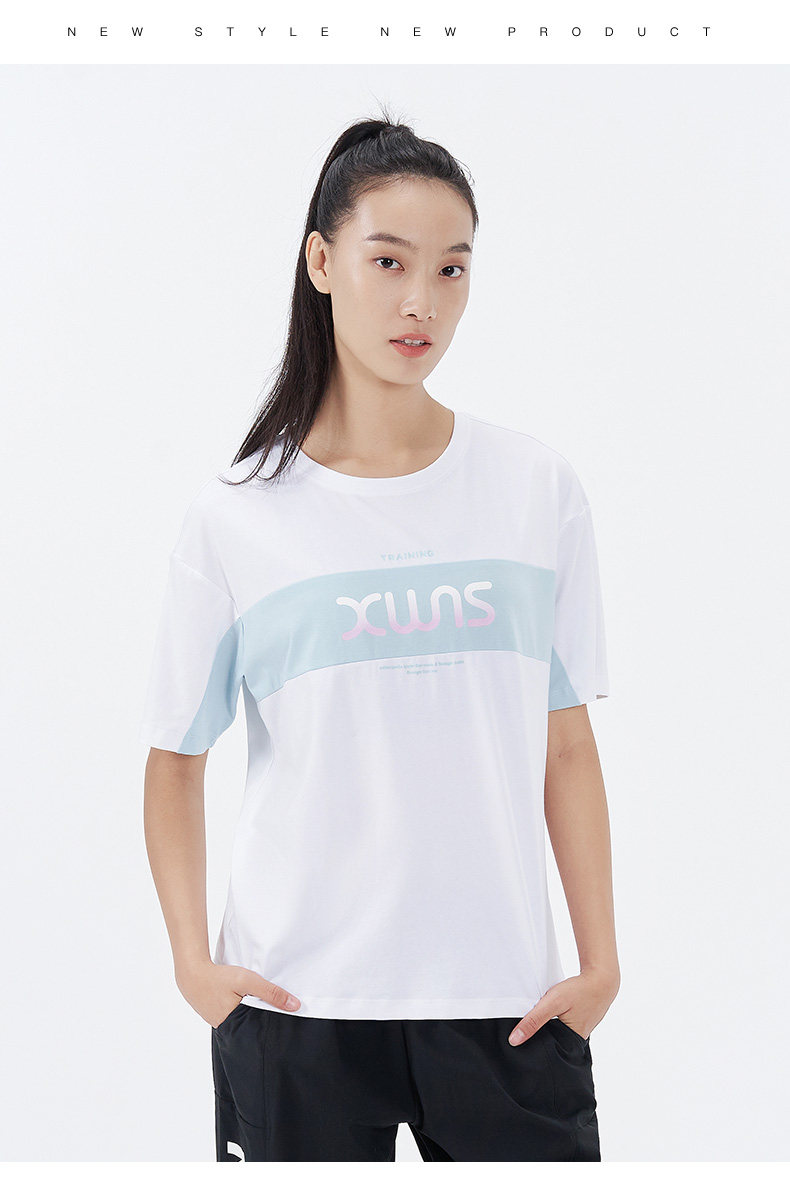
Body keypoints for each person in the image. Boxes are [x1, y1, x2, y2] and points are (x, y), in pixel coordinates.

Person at [139, 110, 620, 1163]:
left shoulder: (534, 488)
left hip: (509, 1001)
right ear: (321, 262)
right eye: (389, 261)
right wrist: (194, 966)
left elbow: (566, 742)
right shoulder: (236, 517)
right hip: (295, 1004)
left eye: (452, 269)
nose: (421, 303)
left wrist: (599, 964)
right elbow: (175, 758)